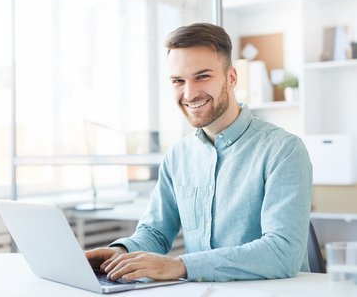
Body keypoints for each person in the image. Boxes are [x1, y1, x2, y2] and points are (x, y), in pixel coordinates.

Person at [85, 23, 312, 282]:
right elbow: (156, 233)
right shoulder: (178, 155)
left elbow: (283, 253)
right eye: (178, 81)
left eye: (202, 76)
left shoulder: (283, 150)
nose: (190, 93)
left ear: (232, 77)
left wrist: (180, 266)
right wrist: (120, 252)